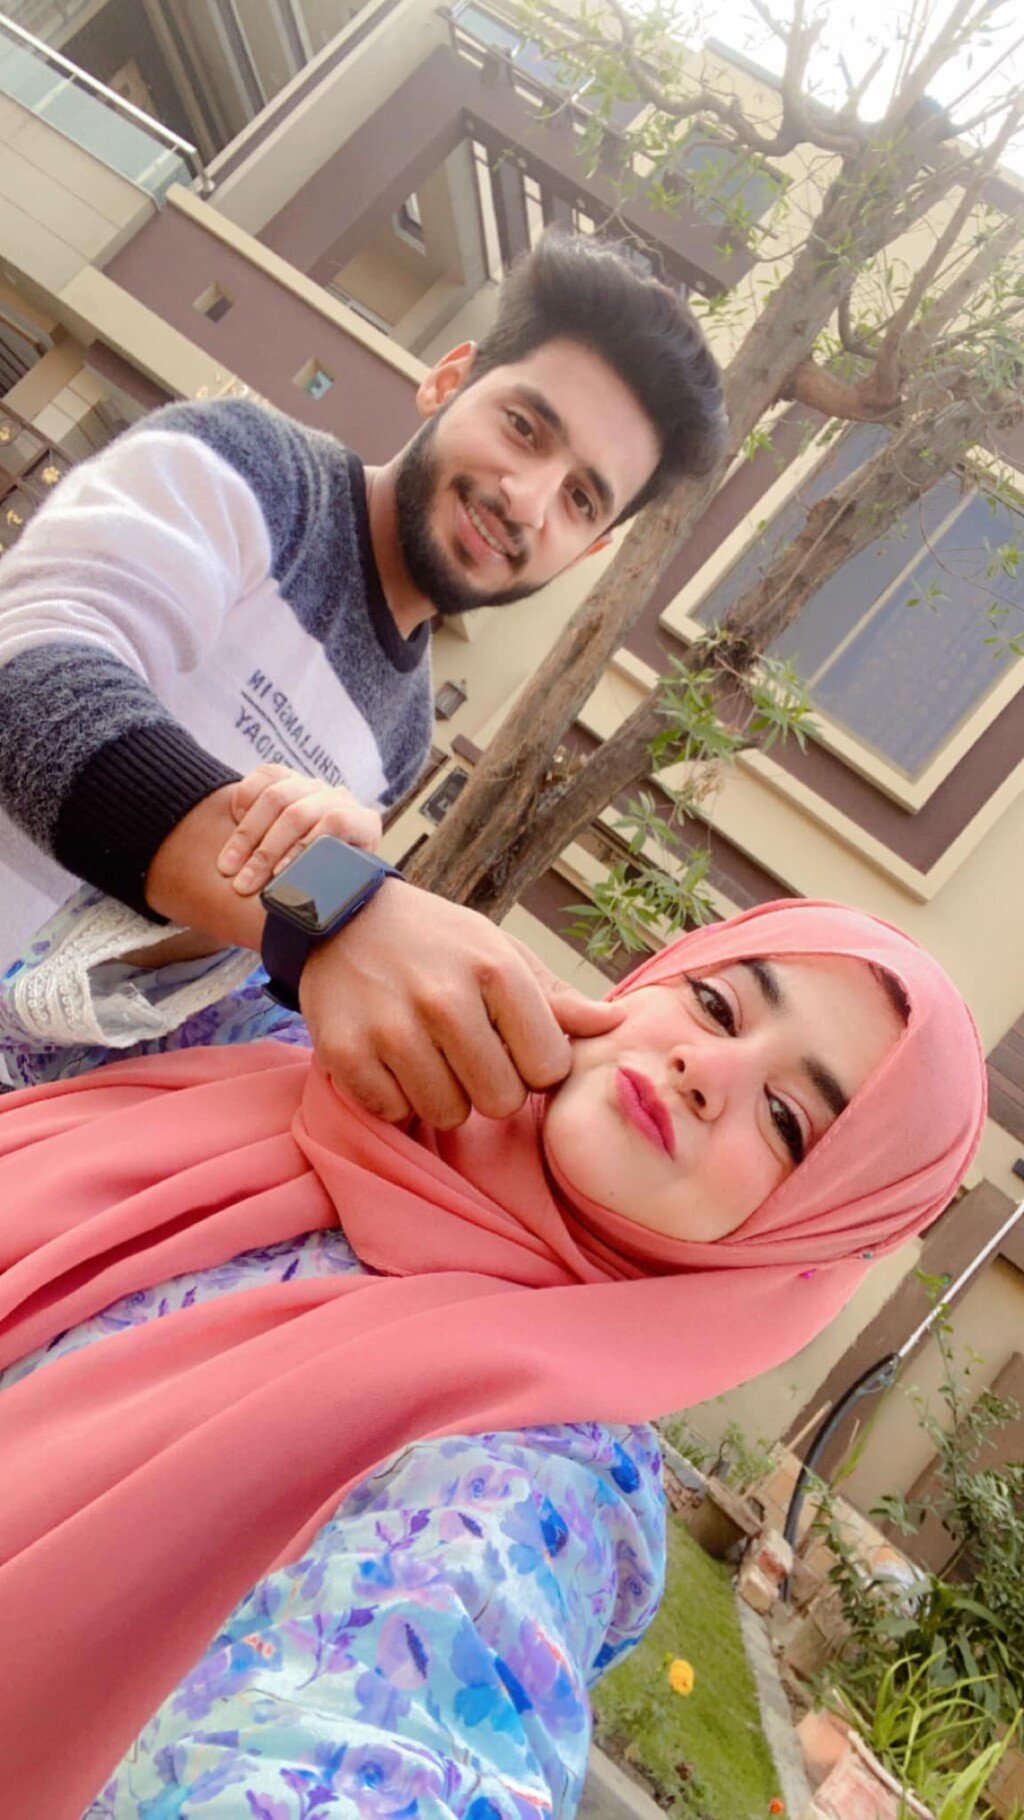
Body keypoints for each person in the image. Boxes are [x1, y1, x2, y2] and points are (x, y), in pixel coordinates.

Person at [0, 895, 985, 1818]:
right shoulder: (312, 1059)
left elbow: (406, 1700)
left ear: (806, 1246)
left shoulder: (543, 1478)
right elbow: (42, 1009)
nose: (705, 1069)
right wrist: (322, 897)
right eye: (717, 1005)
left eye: (786, 1122)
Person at [0, 233, 726, 1123]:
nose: (526, 500)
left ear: (592, 549)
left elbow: (204, 943)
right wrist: (343, 910)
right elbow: (31, 675)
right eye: (524, 429)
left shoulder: (402, 735)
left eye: (580, 499)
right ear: (448, 380)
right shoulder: (252, 466)